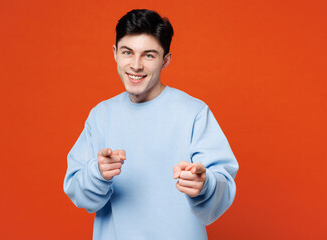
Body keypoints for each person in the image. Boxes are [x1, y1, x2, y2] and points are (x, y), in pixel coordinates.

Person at [63, 9, 239, 240]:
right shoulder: (100, 116)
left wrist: (204, 184)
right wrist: (97, 173)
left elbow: (222, 188)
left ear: (165, 60)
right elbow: (79, 194)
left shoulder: (194, 113)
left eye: (149, 55)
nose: (136, 65)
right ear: (115, 53)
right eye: (128, 52)